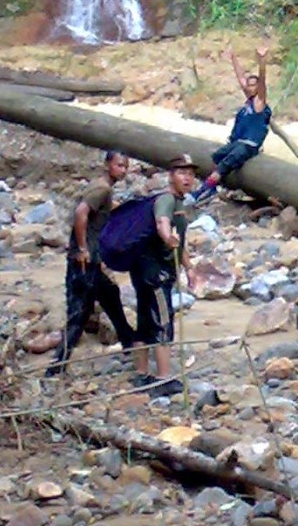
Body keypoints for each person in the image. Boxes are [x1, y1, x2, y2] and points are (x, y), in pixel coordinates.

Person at [47, 150, 136, 375]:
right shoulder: (101, 188)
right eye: (119, 165)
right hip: (84, 262)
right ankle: (55, 369)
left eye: (125, 166)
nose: (122, 170)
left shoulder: (103, 189)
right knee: (79, 315)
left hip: (93, 262)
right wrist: (82, 248)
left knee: (111, 297)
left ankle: (130, 345)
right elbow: (80, 213)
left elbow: (105, 209)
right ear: (108, 165)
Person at [131, 152, 195, 394]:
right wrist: (167, 237)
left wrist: (189, 268)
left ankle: (141, 373)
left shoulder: (179, 203)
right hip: (155, 273)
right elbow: (162, 223)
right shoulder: (167, 200)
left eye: (190, 174)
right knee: (162, 321)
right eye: (182, 173)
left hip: (147, 270)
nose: (187, 178)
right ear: (171, 176)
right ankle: (163, 379)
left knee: (145, 321)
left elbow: (181, 243)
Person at [190, 43, 273, 203]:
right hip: (237, 142)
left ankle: (199, 193)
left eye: (253, 85)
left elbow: (262, 83)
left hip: (248, 146)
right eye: (248, 85)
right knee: (217, 156)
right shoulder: (248, 102)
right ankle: (214, 185)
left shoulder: (259, 103)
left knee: (223, 167)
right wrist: (233, 58)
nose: (249, 87)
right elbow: (241, 79)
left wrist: (262, 61)